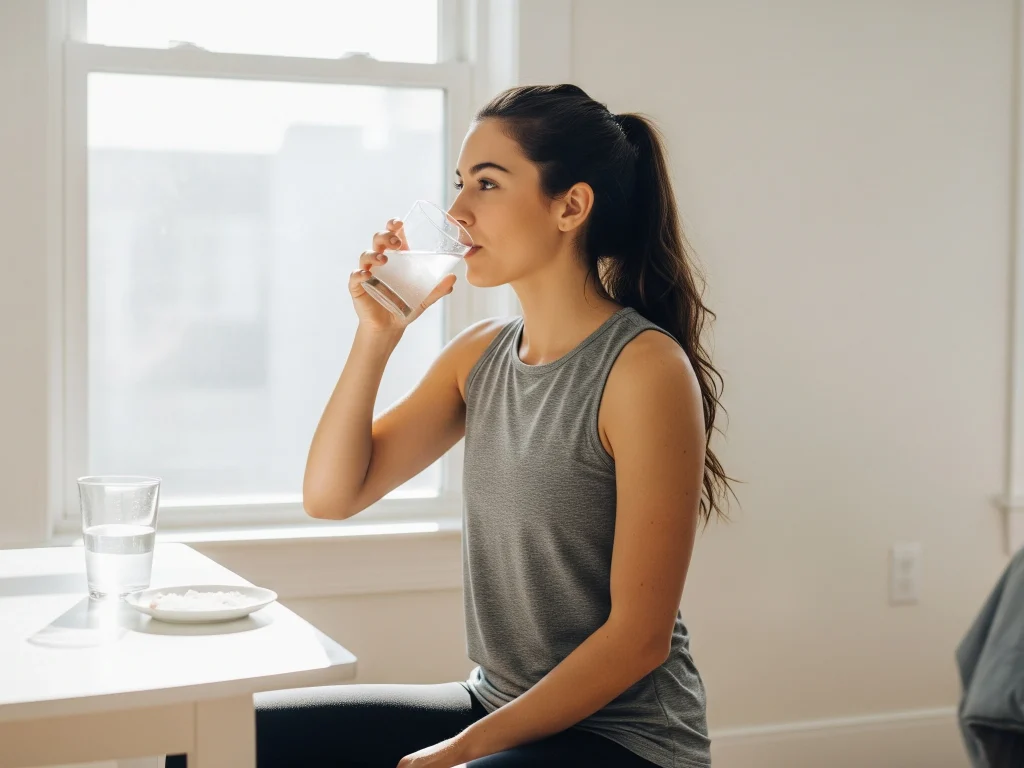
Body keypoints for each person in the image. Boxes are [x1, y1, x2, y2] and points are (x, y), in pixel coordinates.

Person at [168, 83, 734, 768]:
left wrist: (461, 751)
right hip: (497, 702)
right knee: (214, 744)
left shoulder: (643, 370)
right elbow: (332, 495)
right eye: (459, 183)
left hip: (626, 740)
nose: (458, 211)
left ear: (571, 206)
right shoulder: (478, 357)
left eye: (488, 185)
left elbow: (639, 640)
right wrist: (378, 334)